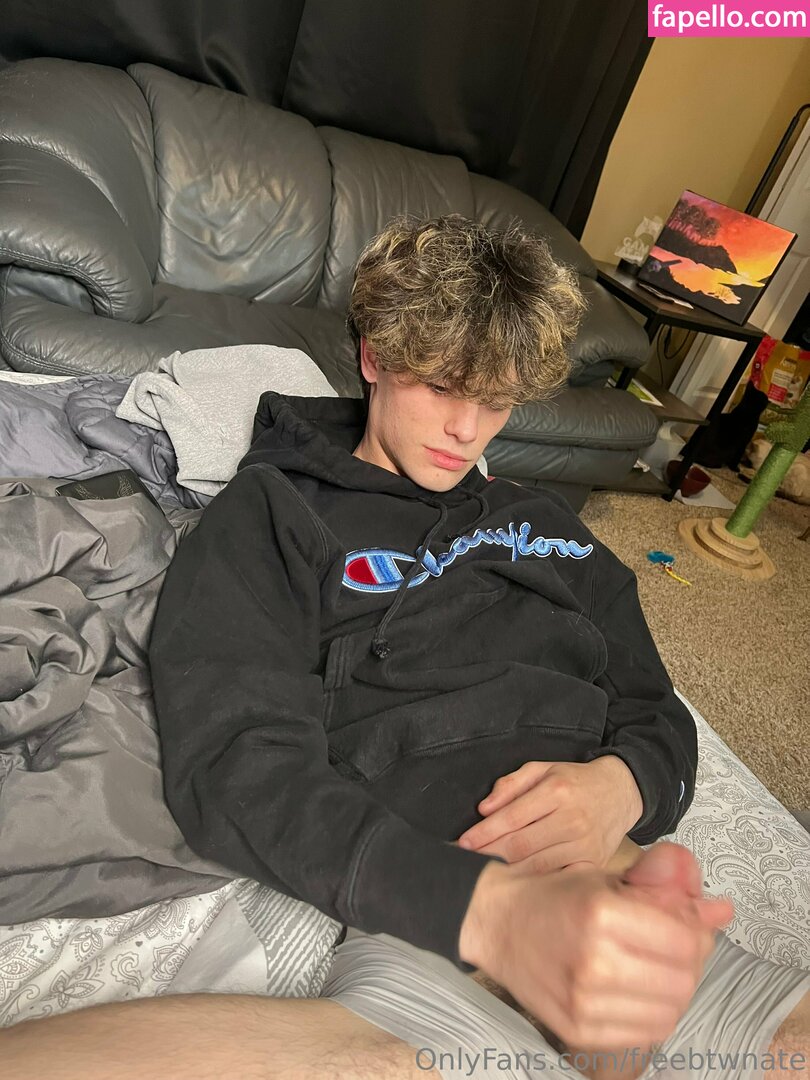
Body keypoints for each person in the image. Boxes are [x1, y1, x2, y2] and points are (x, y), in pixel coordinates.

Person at [2, 217, 807, 1079]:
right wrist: (491, 914)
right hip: (437, 921)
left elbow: (657, 709)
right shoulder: (274, 511)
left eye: (495, 400)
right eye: (442, 386)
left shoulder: (548, 527)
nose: (466, 429)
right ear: (375, 357)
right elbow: (235, 760)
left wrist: (627, 784)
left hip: (635, 909)